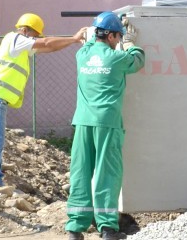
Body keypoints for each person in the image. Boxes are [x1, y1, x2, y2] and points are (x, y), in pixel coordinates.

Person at [0, 13, 86, 188]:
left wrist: (72, 41)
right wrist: (73, 38)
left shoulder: (21, 46)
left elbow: (50, 47)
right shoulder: (15, 39)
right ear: (26, 30)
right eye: (36, 35)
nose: (37, 39)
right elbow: (47, 43)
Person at [65, 12, 145, 240]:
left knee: (80, 172)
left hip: (82, 122)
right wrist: (130, 42)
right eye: (117, 36)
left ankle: (75, 228)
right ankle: (108, 228)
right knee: (106, 174)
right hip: (107, 123)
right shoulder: (117, 58)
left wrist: (95, 30)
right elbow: (138, 60)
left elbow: (89, 41)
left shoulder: (82, 55)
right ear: (110, 35)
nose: (118, 40)